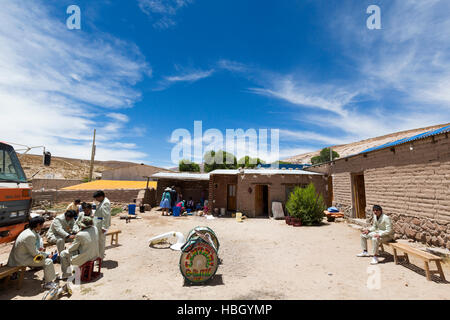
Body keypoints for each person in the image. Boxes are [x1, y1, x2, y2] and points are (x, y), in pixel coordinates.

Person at [8, 217, 57, 289]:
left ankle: (47, 276)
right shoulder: (30, 235)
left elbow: (31, 248)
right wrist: (47, 255)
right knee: (48, 261)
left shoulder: (28, 231)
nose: (42, 226)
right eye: (42, 224)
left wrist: (41, 252)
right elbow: (35, 254)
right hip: (22, 260)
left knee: (45, 257)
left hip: (23, 256)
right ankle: (48, 283)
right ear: (38, 225)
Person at [93, 190, 111, 259]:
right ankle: (99, 256)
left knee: (101, 242)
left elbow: (106, 216)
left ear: (101, 196)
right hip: (99, 225)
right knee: (98, 242)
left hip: (101, 227)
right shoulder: (103, 202)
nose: (96, 200)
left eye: (97, 198)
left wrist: (104, 227)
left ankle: (100, 258)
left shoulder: (105, 203)